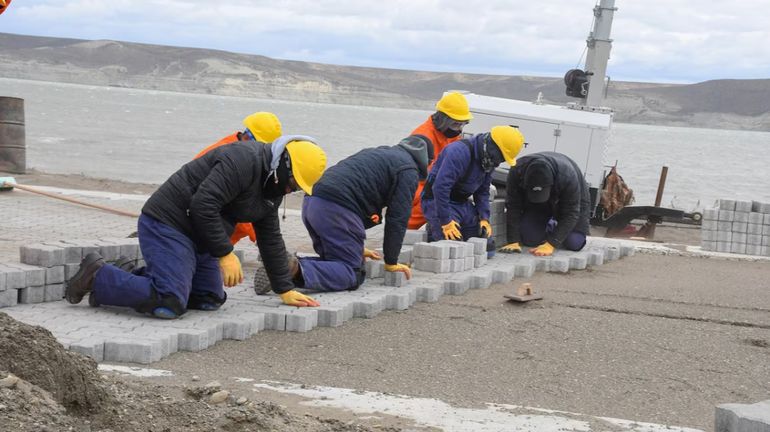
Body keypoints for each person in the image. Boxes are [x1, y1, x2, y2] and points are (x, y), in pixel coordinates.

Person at [64, 137, 327, 318]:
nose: (292, 189)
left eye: (297, 188)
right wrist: (225, 254)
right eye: (293, 182)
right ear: (283, 163)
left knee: (209, 299)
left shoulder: (273, 186)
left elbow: (269, 237)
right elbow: (203, 205)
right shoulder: (242, 161)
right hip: (168, 224)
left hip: (200, 236)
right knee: (169, 303)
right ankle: (98, 275)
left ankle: (127, 276)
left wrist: (284, 288)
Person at [254, 135, 433, 293]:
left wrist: (356, 246)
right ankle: (291, 268)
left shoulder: (379, 153)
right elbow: (398, 218)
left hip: (312, 203)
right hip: (336, 210)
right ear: (426, 160)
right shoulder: (408, 170)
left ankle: (276, 263)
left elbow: (358, 186)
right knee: (352, 272)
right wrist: (391, 262)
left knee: (332, 261)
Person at [421, 126, 525, 243]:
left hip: (462, 203)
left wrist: (484, 217)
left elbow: (483, 191)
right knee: (453, 244)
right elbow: (440, 188)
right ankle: (434, 229)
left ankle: (437, 229)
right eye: (501, 157)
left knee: (486, 245)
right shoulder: (459, 152)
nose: (499, 162)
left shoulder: (488, 161)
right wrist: (445, 220)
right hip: (437, 200)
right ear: (493, 146)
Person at [194, 111, 283, 245]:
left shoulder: (238, 148)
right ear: (248, 138)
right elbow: (234, 203)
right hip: (198, 217)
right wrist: (259, 237)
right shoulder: (231, 156)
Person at [500, 151, 591, 256]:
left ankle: (555, 226)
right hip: (539, 205)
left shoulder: (567, 175)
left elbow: (571, 213)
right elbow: (513, 205)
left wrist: (551, 244)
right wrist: (513, 241)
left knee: (574, 243)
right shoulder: (517, 170)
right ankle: (550, 226)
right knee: (529, 239)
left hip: (573, 200)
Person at [407, 92, 473, 229]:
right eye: (456, 124)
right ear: (443, 119)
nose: (459, 129)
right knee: (433, 201)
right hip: (417, 187)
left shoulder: (451, 134)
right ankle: (404, 235)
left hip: (436, 183)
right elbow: (412, 176)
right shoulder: (421, 138)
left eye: (462, 125)